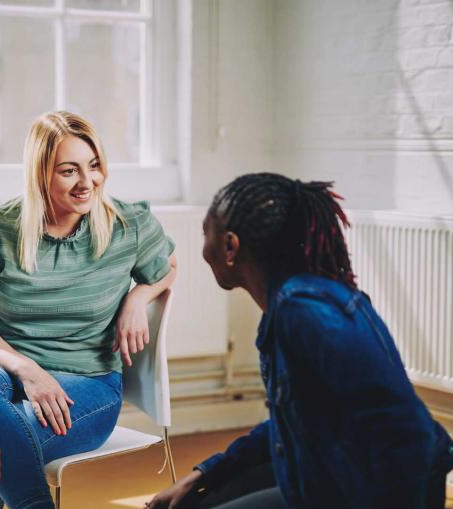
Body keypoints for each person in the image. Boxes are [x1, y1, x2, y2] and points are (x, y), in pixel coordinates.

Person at [146, 173, 453, 509]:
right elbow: (290, 424)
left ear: (230, 246)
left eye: (207, 233)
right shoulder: (289, 304)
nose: (203, 247)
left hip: (365, 493)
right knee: (187, 503)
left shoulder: (304, 312)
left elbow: (409, 436)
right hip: (327, 475)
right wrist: (204, 473)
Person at [0, 111, 177, 509]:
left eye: (94, 166)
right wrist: (28, 370)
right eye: (69, 171)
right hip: (7, 375)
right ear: (40, 174)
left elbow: (169, 266)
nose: (87, 182)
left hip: (88, 386)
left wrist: (137, 298)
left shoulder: (129, 224)